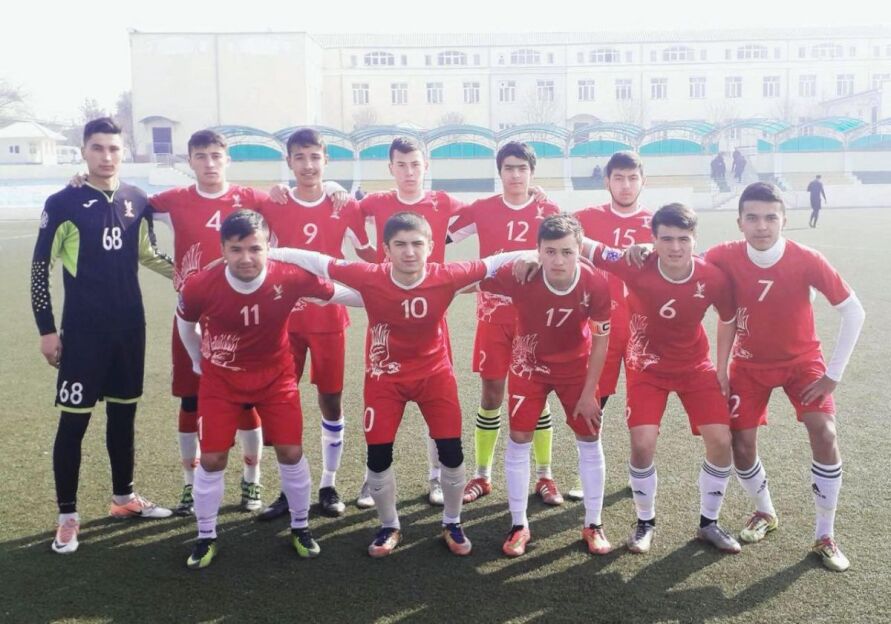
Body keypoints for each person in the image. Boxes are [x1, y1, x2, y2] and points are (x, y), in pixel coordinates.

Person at [68, 130, 351, 517]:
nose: (210, 163)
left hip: (243, 319)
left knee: (250, 399)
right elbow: (127, 200)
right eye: (200, 156)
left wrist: (333, 186)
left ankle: (252, 481)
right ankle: (190, 485)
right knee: (190, 400)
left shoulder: (252, 198)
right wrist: (86, 180)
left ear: (227, 159)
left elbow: (303, 194)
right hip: (192, 315)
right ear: (190, 161)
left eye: (216, 155)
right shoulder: (173, 200)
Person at [268, 211, 524, 558]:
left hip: (435, 376)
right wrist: (268, 254)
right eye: (400, 244)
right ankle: (389, 525)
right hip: (384, 379)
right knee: (378, 457)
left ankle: (452, 522)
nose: (409, 251)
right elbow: (317, 261)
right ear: (386, 250)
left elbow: (494, 262)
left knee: (451, 453)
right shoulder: (369, 275)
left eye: (417, 243)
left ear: (430, 246)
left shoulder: (446, 275)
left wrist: (536, 255)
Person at [176, 209, 355, 569]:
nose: (246, 258)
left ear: (268, 247)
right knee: (212, 459)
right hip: (221, 383)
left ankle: (301, 527)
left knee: (291, 451)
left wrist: (394, 292)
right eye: (236, 249)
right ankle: (206, 535)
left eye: (255, 248)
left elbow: (339, 293)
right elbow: (185, 323)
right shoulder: (199, 284)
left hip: (275, 380)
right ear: (223, 250)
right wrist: (197, 361)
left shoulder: (289, 276)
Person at [31, 117, 174, 555]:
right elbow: (39, 269)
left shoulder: (136, 199)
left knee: (123, 417)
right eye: (97, 148)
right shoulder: (63, 203)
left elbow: (150, 254)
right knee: (74, 423)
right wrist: (47, 330)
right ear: (83, 152)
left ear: (123, 151)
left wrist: (193, 278)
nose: (106, 156)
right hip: (83, 333)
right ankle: (67, 518)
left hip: (130, 329)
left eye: (113, 148)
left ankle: (123, 498)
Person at [706, 182, 864, 571]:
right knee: (741, 446)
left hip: (802, 363)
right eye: (752, 218)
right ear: (739, 222)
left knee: (825, 432)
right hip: (748, 365)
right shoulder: (723, 255)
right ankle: (765, 511)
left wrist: (833, 375)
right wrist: (644, 252)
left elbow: (853, 311)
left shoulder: (807, 259)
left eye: (770, 217)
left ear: (784, 220)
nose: (762, 226)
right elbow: (681, 263)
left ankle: (825, 534)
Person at [589, 203, 741, 555]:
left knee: (721, 441)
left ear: (695, 239)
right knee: (642, 445)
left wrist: (722, 368)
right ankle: (645, 522)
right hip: (647, 368)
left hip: (695, 366)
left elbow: (728, 318)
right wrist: (532, 256)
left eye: (683, 239)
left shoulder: (712, 277)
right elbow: (584, 246)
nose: (675, 247)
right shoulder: (634, 264)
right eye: (667, 239)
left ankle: (709, 523)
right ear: (653, 239)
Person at [476, 214, 612, 556]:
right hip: (529, 367)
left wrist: (589, 393)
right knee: (519, 439)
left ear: (579, 250)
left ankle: (593, 523)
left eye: (567, 252)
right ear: (538, 250)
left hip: (576, 371)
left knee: (589, 439)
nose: (558, 260)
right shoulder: (522, 274)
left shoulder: (596, 283)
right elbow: (475, 276)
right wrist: (521, 257)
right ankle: (519, 525)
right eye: (549, 252)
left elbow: (601, 341)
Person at [258, 128, 374, 519]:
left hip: (329, 317)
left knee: (331, 400)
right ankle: (288, 488)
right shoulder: (273, 204)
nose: (308, 165)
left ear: (326, 160)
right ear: (289, 162)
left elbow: (367, 254)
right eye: (299, 157)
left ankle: (328, 483)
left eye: (314, 157)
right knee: (280, 401)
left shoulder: (345, 205)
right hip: (282, 319)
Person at [448, 142, 563, 505]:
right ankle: (482, 475)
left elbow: (568, 251)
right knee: (492, 394)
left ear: (532, 172)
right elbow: (437, 233)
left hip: (535, 320)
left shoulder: (548, 210)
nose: (515, 175)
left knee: (537, 395)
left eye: (522, 168)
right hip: (493, 317)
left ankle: (545, 475)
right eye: (509, 168)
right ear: (499, 172)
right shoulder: (482, 208)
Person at [570, 151, 652, 500]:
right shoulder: (584, 219)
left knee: (643, 407)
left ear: (642, 181)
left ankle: (640, 472)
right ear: (607, 181)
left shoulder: (657, 224)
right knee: (593, 402)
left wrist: (652, 246)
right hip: (599, 327)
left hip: (642, 331)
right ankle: (587, 474)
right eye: (619, 178)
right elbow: (552, 231)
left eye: (632, 178)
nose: (626, 185)